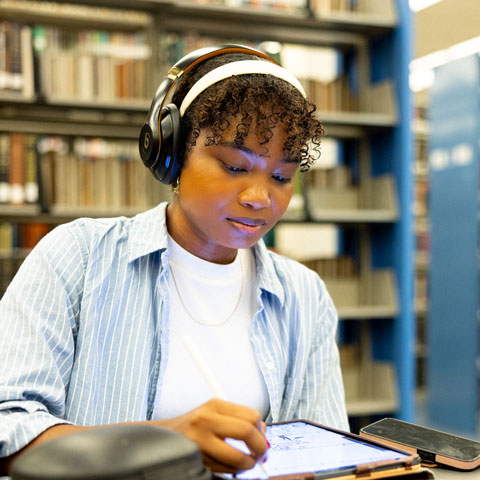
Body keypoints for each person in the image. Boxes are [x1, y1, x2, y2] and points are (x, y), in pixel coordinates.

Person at [0, 44, 348, 476]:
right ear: (172, 153)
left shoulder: (303, 295)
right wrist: (167, 441)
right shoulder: (77, 259)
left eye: (281, 177)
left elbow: (329, 456)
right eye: (235, 167)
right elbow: (8, 427)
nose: (260, 198)